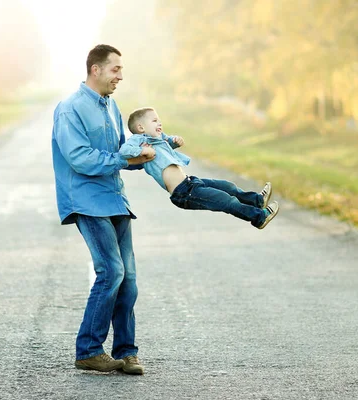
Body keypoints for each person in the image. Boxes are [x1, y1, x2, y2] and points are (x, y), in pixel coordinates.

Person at [51, 45, 155, 375]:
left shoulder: (111, 106)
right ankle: (88, 349)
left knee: (130, 280)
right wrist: (124, 159)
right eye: (115, 70)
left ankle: (126, 352)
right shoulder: (70, 109)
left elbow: (121, 152)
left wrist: (144, 157)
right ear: (95, 70)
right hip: (87, 200)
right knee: (111, 272)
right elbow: (79, 157)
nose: (120, 76)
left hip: (115, 198)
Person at [120, 107, 279, 229]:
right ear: (141, 128)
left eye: (159, 120)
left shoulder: (158, 138)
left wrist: (175, 141)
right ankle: (258, 217)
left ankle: (256, 201)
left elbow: (168, 143)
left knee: (227, 186)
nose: (159, 123)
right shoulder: (138, 141)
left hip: (191, 183)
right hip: (183, 193)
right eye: (154, 121)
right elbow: (124, 151)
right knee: (226, 201)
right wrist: (143, 151)